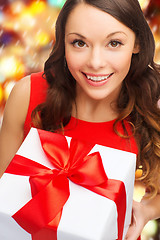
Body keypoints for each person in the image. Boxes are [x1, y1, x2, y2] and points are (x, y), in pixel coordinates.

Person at [0, 0, 160, 239]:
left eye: (114, 43)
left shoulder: (151, 104)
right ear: (63, 42)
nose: (95, 62)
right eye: (79, 43)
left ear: (137, 43)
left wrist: (147, 210)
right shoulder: (28, 94)